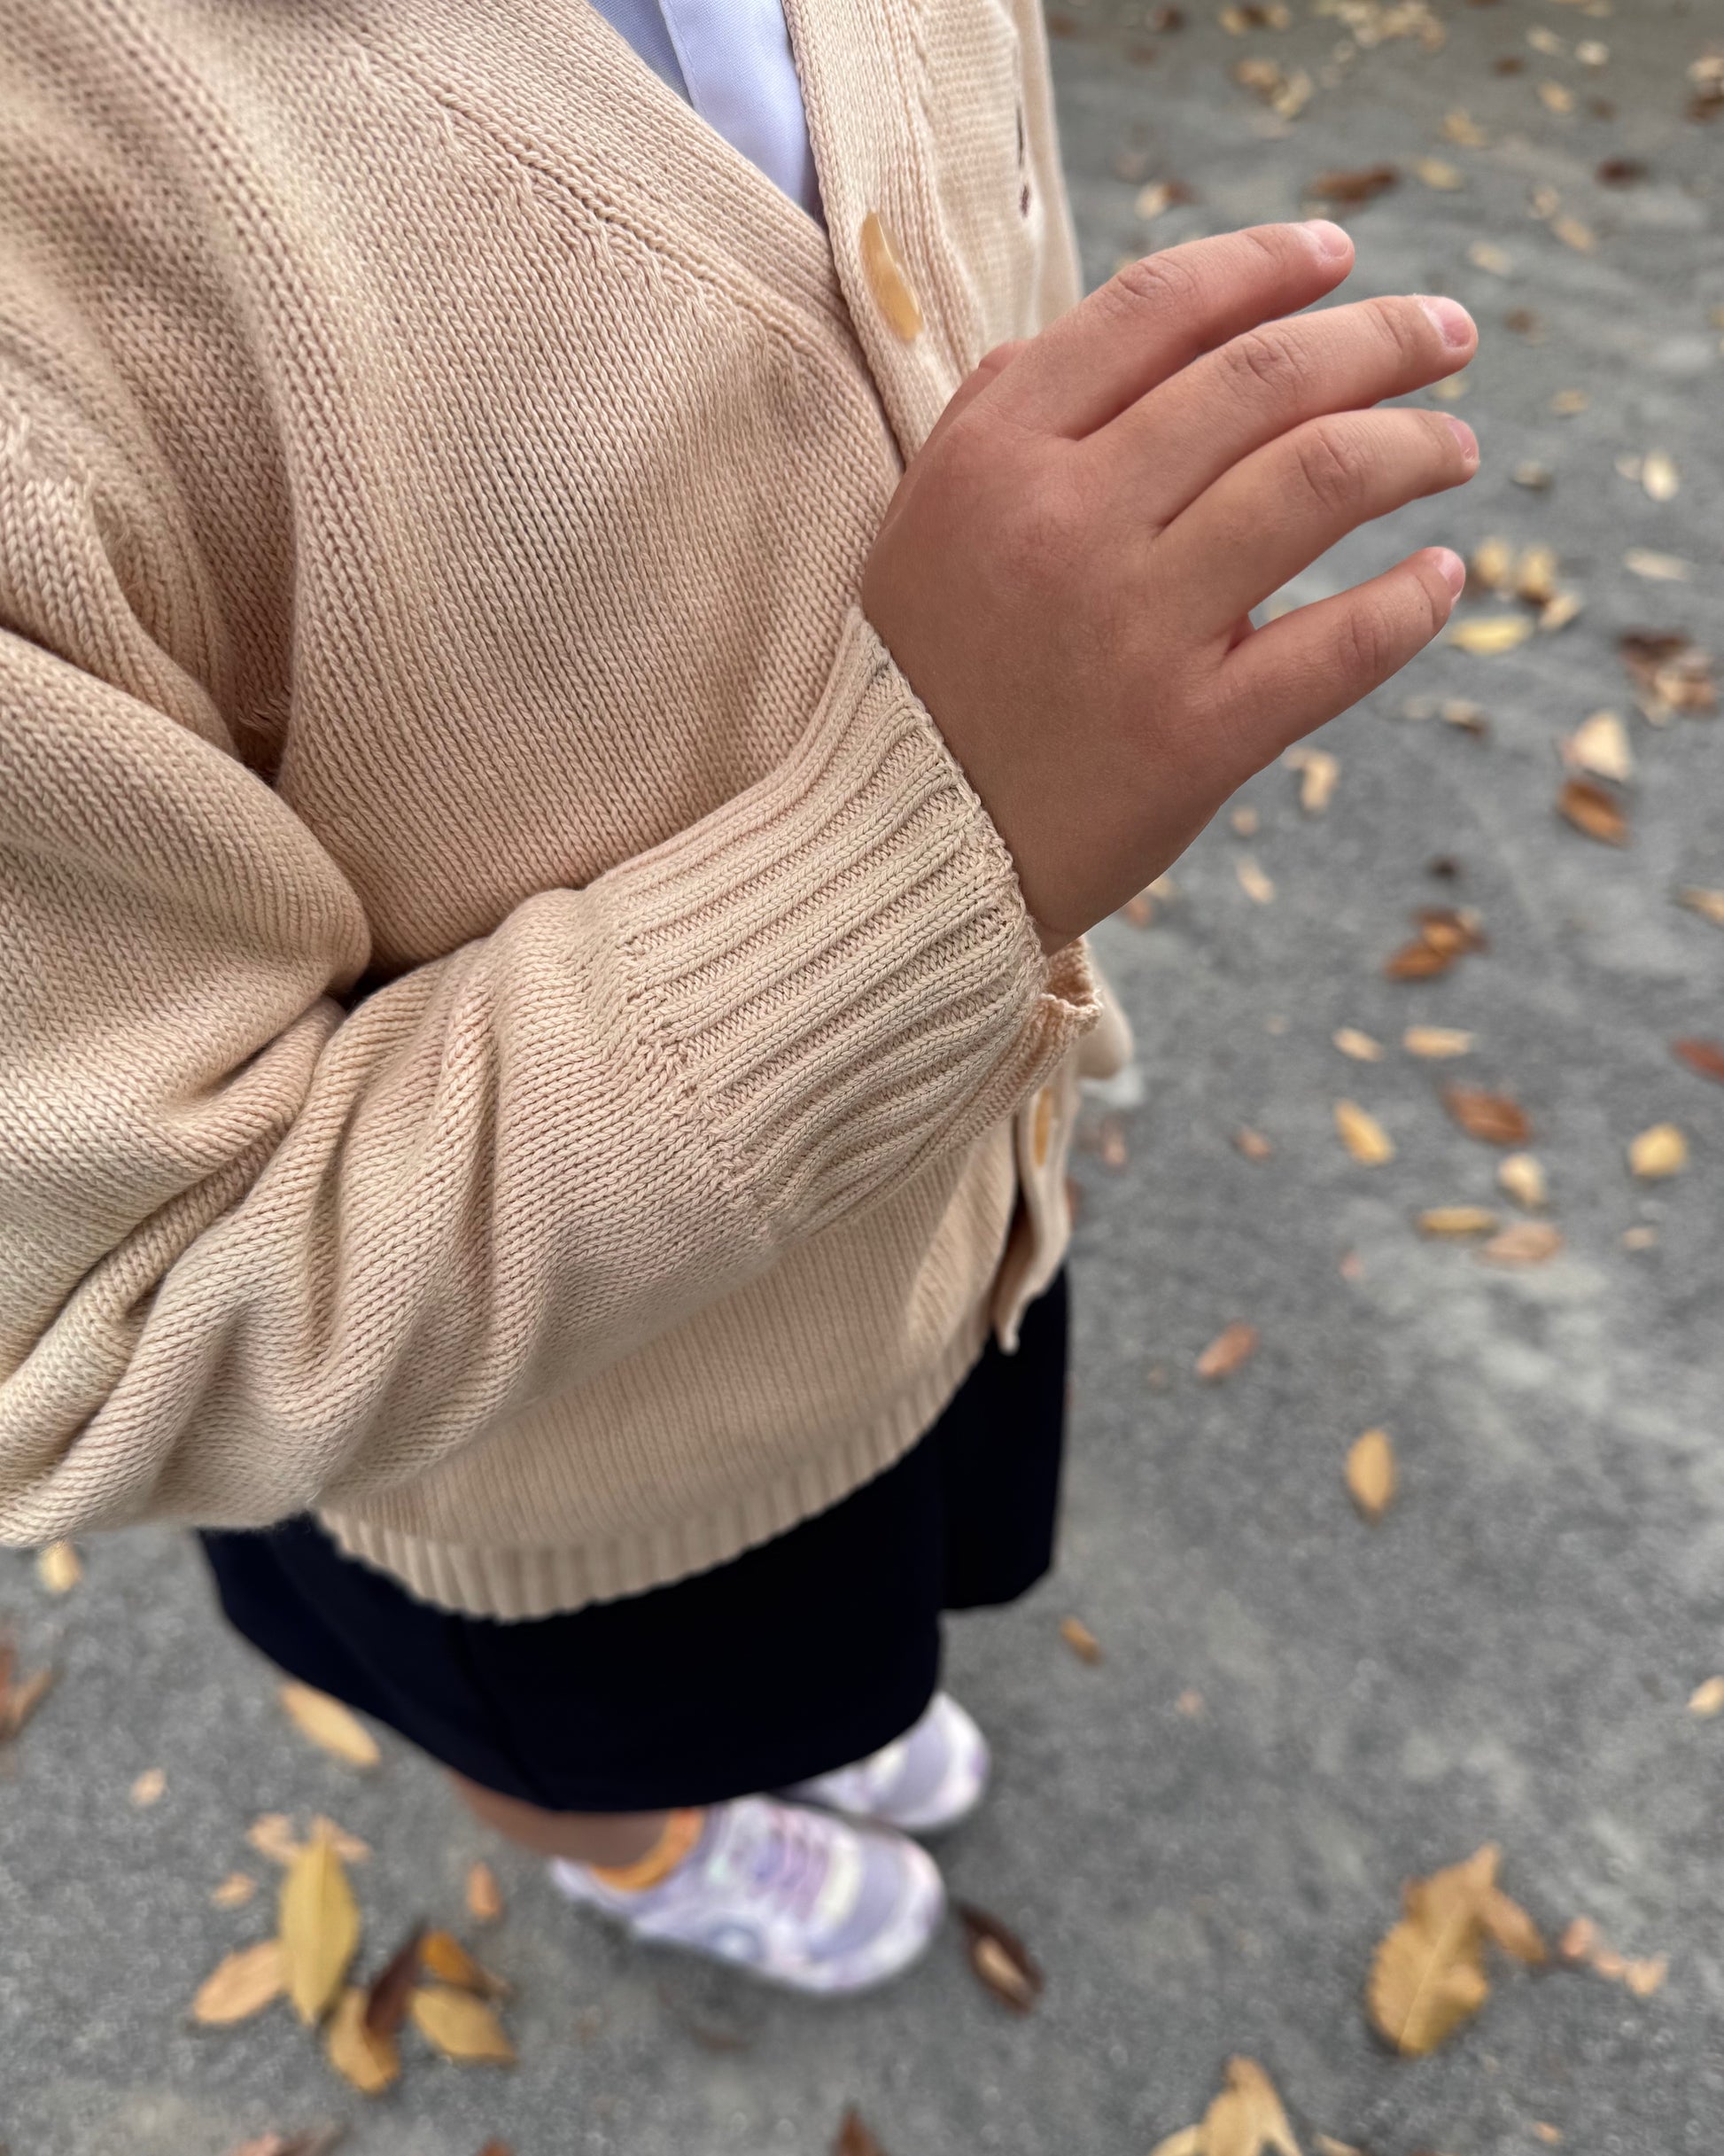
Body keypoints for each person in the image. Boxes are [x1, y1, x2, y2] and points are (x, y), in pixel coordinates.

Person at [0, 0, 1478, 1996]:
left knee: (854, 1628)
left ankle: (790, 1735)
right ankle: (641, 1854)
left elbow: (994, 285)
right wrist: (935, 849)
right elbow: (109, 1317)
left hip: (940, 1232)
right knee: (601, 1739)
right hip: (542, 1465)